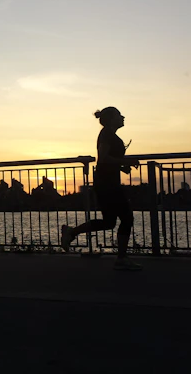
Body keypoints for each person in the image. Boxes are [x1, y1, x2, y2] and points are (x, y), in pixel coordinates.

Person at [60, 107, 142, 271]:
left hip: (107, 182)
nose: (123, 117)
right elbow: (103, 159)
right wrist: (125, 162)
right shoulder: (106, 134)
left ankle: (72, 232)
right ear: (112, 118)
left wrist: (121, 166)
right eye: (119, 115)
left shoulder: (110, 135)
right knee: (126, 217)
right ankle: (121, 258)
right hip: (107, 184)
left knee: (109, 222)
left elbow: (108, 160)